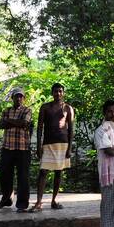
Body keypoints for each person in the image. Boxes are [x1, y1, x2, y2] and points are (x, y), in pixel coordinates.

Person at [33, 82, 74, 211]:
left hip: (63, 143)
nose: (58, 93)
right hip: (48, 143)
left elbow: (71, 129)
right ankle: (38, 202)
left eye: (60, 91)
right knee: (43, 172)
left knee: (58, 172)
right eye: (56, 91)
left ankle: (54, 201)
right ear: (52, 93)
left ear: (63, 93)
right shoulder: (45, 107)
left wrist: (70, 148)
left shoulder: (68, 108)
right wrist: (38, 145)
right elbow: (40, 127)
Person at [0, 88, 34, 211]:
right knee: (5, 175)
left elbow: (24, 123)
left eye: (21, 96)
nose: (19, 99)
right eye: (16, 96)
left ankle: (22, 205)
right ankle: (6, 200)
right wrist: (17, 122)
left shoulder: (27, 110)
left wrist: (8, 121)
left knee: (23, 177)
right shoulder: (6, 110)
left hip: (22, 148)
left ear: (24, 98)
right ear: (12, 98)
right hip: (7, 147)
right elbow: (1, 125)